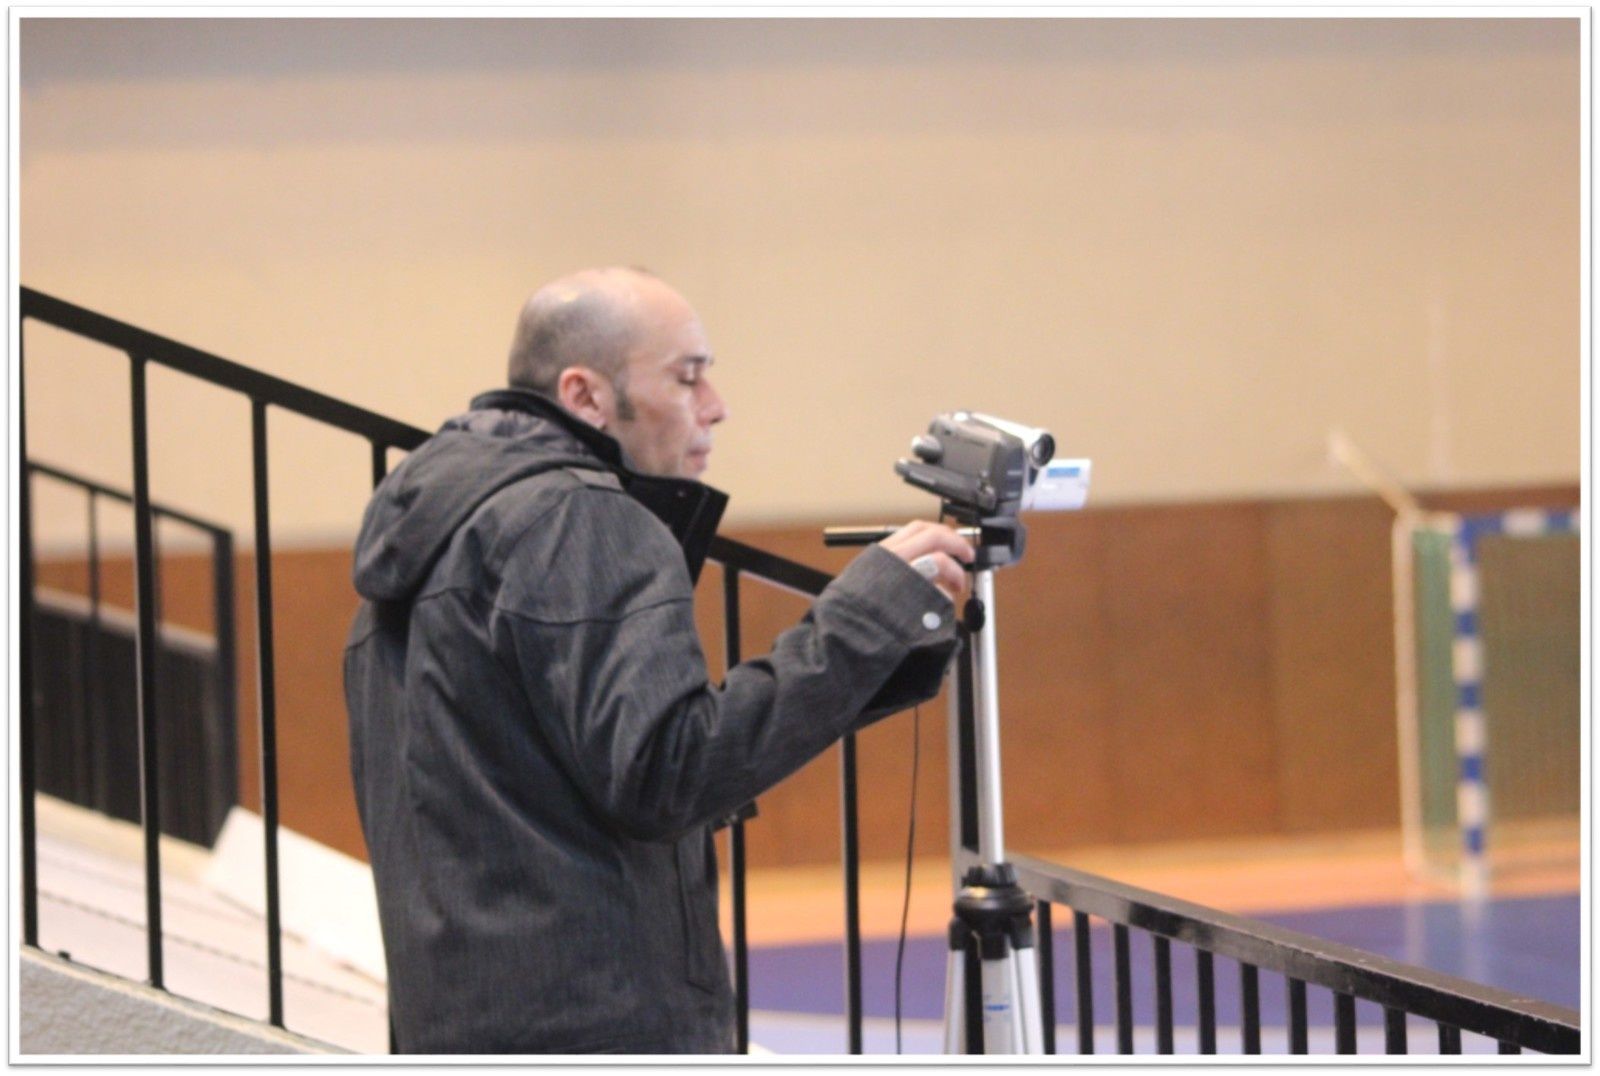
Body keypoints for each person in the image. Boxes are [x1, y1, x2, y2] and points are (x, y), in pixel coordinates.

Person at [344, 267, 973, 1054]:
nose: (715, 405)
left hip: (459, 1020)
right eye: (687, 376)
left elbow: (569, 780)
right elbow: (668, 773)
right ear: (584, 395)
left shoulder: (436, 530)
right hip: (600, 1025)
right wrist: (863, 618)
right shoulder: (583, 518)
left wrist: (875, 649)